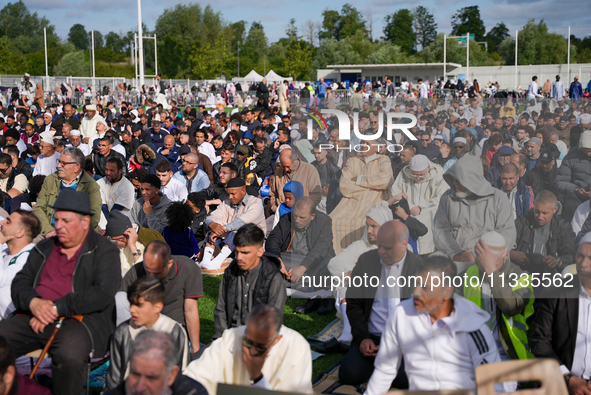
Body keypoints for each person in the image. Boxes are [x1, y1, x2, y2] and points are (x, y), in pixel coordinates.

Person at [0, 189, 121, 395]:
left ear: (85, 222)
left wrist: (56, 308)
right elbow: (20, 283)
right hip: (32, 315)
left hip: (79, 320)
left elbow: (102, 293)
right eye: (56, 219)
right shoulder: (46, 246)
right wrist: (35, 304)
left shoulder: (104, 250)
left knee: (69, 356)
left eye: (65, 220)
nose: (58, 226)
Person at [364, 255, 502, 395]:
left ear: (447, 292)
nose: (416, 292)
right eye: (415, 284)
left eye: (425, 287)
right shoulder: (401, 314)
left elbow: (493, 381)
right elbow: (385, 369)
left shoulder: (473, 327)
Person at [339, 221, 422, 387]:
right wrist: (363, 338)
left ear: (404, 244)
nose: (382, 252)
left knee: (405, 380)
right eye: (379, 246)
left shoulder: (420, 268)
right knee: (348, 374)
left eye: (388, 248)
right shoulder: (366, 261)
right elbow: (354, 303)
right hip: (373, 339)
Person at [185, 304, 311, 395]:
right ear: (246, 326)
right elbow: (196, 375)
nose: (253, 352)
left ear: (277, 339)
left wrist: (257, 376)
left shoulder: (296, 346)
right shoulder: (232, 337)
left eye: (261, 347)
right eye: (249, 342)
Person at [530, 231, 591, 394]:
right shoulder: (556, 291)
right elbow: (539, 340)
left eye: (590, 258)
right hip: (560, 384)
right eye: (580, 256)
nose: (583, 264)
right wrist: (567, 378)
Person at [459, 232, 535, 362]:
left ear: (506, 255)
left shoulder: (522, 278)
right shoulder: (468, 274)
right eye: (481, 259)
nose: (484, 265)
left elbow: (511, 307)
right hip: (476, 349)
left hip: (510, 352)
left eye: (491, 260)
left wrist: (491, 272)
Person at [121, 241, 203, 356]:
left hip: (174, 328)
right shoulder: (136, 271)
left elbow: (190, 309)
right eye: (147, 271)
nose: (150, 276)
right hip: (142, 326)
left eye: (156, 273)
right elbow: (120, 303)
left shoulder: (188, 268)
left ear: (169, 264)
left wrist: (195, 349)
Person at [106, 276, 189, 390]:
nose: (132, 310)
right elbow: (114, 378)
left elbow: (181, 375)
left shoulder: (174, 331)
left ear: (157, 307)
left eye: (139, 305)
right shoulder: (122, 332)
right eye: (131, 304)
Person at [433, 154, 516, 267]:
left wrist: (476, 255)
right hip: (453, 255)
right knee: (432, 263)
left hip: (487, 258)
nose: (454, 183)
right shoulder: (447, 197)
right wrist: (456, 253)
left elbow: (507, 234)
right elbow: (439, 230)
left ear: (472, 180)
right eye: (454, 179)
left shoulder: (498, 198)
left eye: (459, 180)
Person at [211, 224, 286, 340]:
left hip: (259, 342)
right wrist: (221, 340)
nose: (239, 257)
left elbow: (273, 319)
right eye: (237, 252)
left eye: (245, 253)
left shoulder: (273, 277)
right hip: (230, 338)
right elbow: (221, 309)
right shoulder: (231, 271)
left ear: (260, 252)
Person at [266, 197, 335, 314]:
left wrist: (303, 267)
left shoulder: (324, 221)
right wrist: (277, 260)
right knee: (267, 261)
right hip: (290, 260)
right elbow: (273, 240)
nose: (297, 220)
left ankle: (321, 297)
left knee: (329, 268)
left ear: (312, 216)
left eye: (302, 217)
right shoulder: (287, 218)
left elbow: (321, 248)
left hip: (313, 263)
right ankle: (311, 292)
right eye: (296, 216)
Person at [330, 140, 393, 254]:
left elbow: (385, 180)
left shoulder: (383, 160)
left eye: (368, 144)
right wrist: (372, 187)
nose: (364, 145)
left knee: (362, 223)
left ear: (376, 148)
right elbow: (344, 186)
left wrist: (359, 179)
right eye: (362, 143)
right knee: (331, 221)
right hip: (350, 203)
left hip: (374, 202)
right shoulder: (353, 161)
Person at [104, 331, 207, 395]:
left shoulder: (194, 392)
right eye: (135, 374)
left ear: (171, 375)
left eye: (151, 378)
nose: (139, 387)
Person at [34, 147, 101, 236]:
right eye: (59, 161)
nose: (58, 166)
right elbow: (39, 208)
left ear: (76, 167)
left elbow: (93, 215)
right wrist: (48, 231)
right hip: (49, 233)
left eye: (63, 163)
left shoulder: (91, 185)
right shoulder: (50, 180)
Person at [201, 178, 266, 270]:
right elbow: (212, 216)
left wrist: (223, 228)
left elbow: (243, 221)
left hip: (250, 244)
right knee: (216, 227)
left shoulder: (256, 202)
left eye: (233, 194)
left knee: (237, 229)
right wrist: (212, 224)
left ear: (243, 191)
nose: (230, 197)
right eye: (228, 194)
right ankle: (205, 260)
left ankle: (217, 262)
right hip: (227, 244)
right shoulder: (226, 202)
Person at [390, 154, 448, 255]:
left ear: (428, 168)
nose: (417, 177)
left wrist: (421, 208)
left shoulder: (439, 173)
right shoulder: (405, 172)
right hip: (408, 212)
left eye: (421, 175)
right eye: (414, 174)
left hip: (430, 212)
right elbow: (396, 191)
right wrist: (409, 207)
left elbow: (442, 198)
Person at [512, 190, 576, 275]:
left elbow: (571, 254)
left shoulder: (563, 227)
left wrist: (557, 261)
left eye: (544, 213)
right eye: (537, 211)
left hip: (549, 274)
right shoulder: (522, 221)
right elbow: (504, 245)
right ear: (534, 205)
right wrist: (511, 254)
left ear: (555, 209)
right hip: (521, 270)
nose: (540, 217)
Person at [0, 210, 40, 319]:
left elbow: (1, 280)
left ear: (19, 232)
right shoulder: (4, 252)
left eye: (8, 222)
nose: (1, 222)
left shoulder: (29, 258)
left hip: (16, 325)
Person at [556, 130, 591, 222]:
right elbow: (561, 181)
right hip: (578, 194)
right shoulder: (571, 156)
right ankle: (569, 232)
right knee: (569, 204)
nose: (588, 154)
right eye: (585, 150)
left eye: (590, 151)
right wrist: (575, 190)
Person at [105, 210, 144, 277]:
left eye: (121, 239)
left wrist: (132, 246)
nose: (118, 242)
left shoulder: (141, 244)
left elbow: (142, 270)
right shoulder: (113, 244)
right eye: (114, 239)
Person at [98, 157, 135, 222]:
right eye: (106, 169)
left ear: (120, 171)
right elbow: (102, 206)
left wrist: (108, 223)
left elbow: (116, 209)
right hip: (105, 221)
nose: (108, 173)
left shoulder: (127, 186)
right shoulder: (100, 183)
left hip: (123, 222)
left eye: (112, 170)